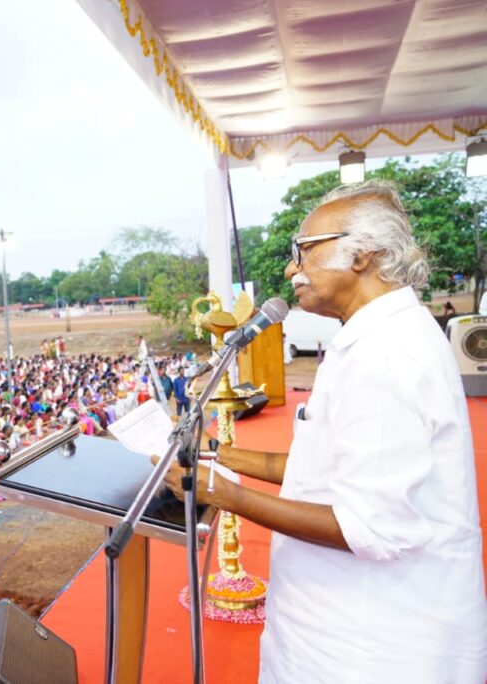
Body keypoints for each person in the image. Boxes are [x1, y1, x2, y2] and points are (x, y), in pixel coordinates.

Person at [158, 181, 487, 681]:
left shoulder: (386, 353)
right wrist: (218, 456)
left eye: (303, 250)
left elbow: (369, 525)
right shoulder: (373, 336)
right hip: (341, 625)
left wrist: (223, 495)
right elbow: (333, 469)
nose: (292, 268)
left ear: (362, 254)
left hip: (373, 644)